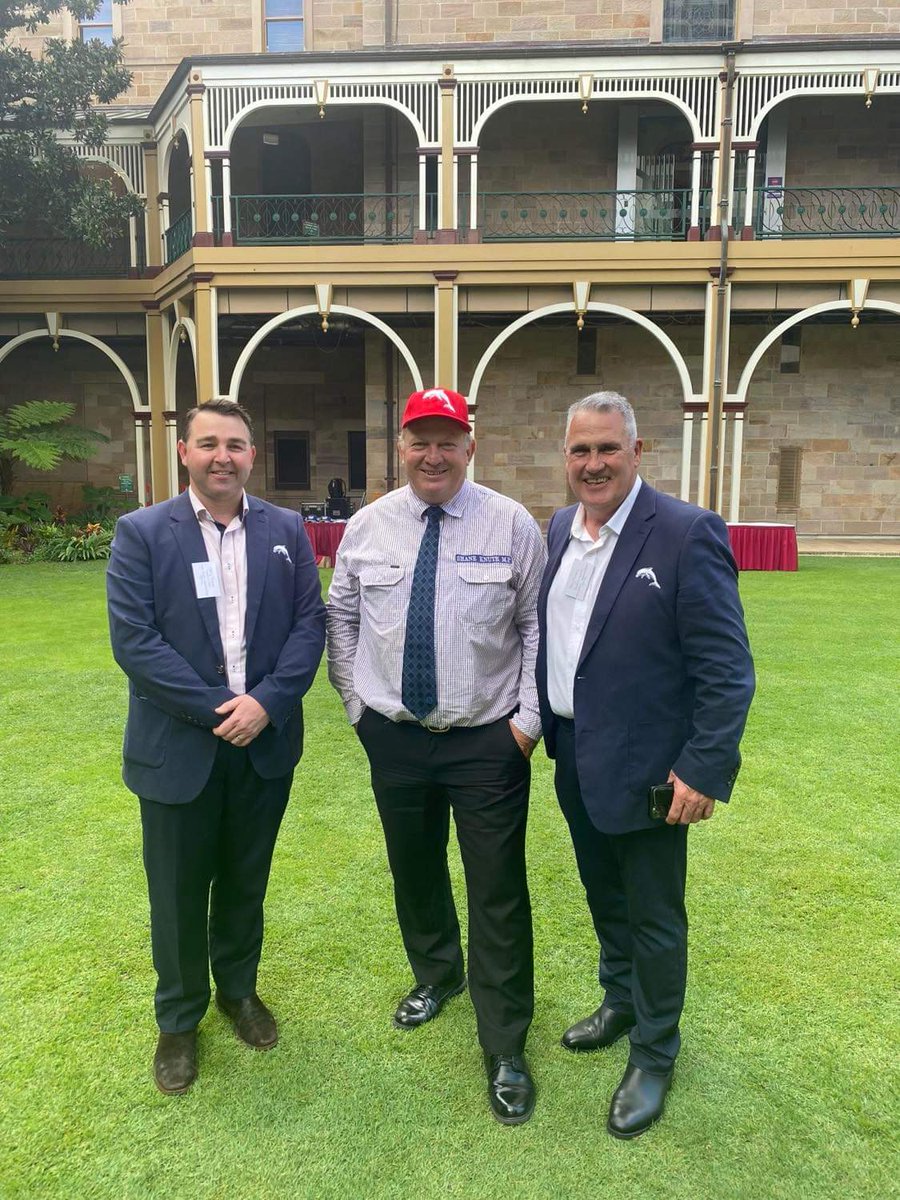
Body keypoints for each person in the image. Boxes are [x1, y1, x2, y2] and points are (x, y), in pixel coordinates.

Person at [536, 391, 754, 1139]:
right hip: (576, 757)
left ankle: (655, 1052)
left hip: (655, 774)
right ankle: (621, 1001)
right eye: (580, 450)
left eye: (608, 448)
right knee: (605, 897)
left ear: (637, 452)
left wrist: (703, 768)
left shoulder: (687, 533)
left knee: (655, 916)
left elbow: (728, 670)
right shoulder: (561, 527)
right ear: (566, 458)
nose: (593, 463)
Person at [326, 387, 546, 1125]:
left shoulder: (510, 524)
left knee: (497, 890)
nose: (433, 455)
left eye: (447, 441)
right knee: (414, 870)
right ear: (402, 448)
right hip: (394, 736)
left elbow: (537, 628)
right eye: (420, 441)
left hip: (487, 741)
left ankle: (504, 1042)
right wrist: (358, 708)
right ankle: (438, 974)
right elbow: (342, 618)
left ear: (469, 447)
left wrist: (526, 726)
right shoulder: (368, 526)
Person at [107, 398, 326, 1095]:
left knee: (244, 879)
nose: (221, 457)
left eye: (234, 444)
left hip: (263, 746)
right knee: (176, 892)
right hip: (178, 750)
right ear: (184, 452)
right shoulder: (142, 533)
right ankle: (178, 1021)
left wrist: (266, 704)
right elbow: (136, 642)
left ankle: (238, 991)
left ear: (251, 455)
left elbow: (309, 626)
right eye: (207, 444)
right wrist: (221, 712)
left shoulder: (286, 530)